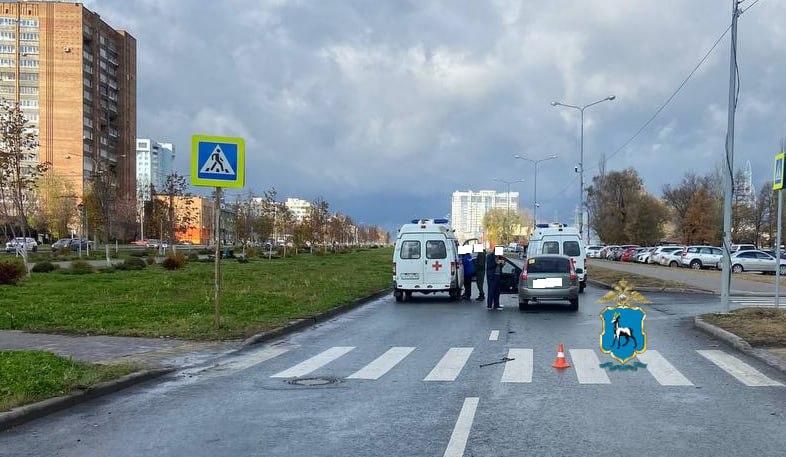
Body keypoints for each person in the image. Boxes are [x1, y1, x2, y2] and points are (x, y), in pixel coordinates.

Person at [485, 245, 504, 310]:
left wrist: (502, 264)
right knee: (491, 291)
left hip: (498, 275)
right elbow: (489, 266)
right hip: (492, 276)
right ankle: (489, 305)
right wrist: (497, 262)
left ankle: (496, 305)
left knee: (497, 291)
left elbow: (500, 267)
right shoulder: (490, 256)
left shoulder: (500, 257)